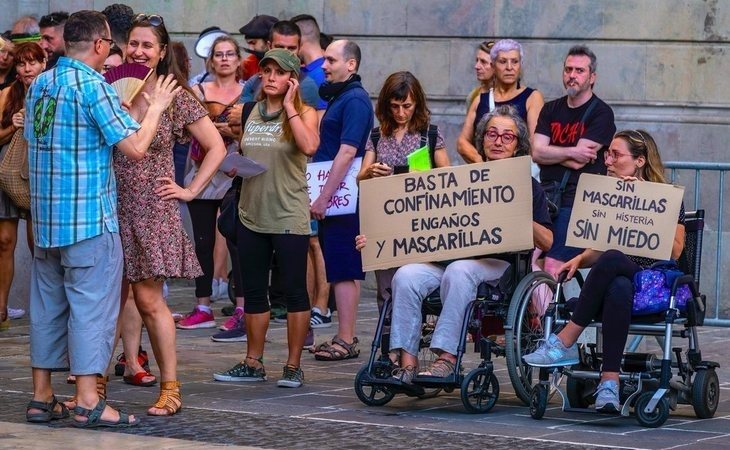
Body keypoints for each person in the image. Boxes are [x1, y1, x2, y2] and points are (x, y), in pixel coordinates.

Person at [23, 9, 179, 427]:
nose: (114, 50)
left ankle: (41, 397)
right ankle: (88, 400)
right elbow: (135, 148)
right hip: (90, 220)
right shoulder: (94, 86)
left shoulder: (40, 84)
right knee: (92, 310)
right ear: (97, 45)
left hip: (46, 221)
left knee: (47, 309)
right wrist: (156, 108)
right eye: (111, 43)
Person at [357, 106, 552, 383]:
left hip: (497, 266)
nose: (498, 141)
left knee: (460, 270)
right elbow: (414, 223)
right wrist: (376, 239)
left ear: (518, 146)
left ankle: (447, 358)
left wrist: (518, 214)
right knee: (407, 275)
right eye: (492, 134)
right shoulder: (458, 182)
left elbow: (547, 240)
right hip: (447, 262)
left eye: (507, 137)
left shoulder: (528, 186)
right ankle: (407, 363)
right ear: (481, 140)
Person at [523, 129, 685, 413]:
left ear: (639, 161)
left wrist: (642, 205)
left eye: (615, 154)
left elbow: (674, 251)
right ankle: (609, 384)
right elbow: (603, 246)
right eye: (607, 154)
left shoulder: (666, 197)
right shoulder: (608, 194)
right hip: (620, 282)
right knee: (617, 285)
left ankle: (566, 339)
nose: (607, 160)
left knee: (612, 260)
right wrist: (580, 260)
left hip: (652, 281)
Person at [114, 12, 226, 416]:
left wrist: (191, 191)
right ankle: (94, 387)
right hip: (111, 205)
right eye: (134, 43)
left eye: (148, 45)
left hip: (152, 209)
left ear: (162, 53)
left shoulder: (175, 96)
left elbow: (216, 147)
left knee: (148, 300)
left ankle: (170, 387)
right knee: (107, 300)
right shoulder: (111, 88)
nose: (139, 51)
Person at [213, 49, 319, 387]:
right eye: (266, 71)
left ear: (292, 79)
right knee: (255, 292)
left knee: (294, 293)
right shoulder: (248, 112)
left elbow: (309, 146)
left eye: (279, 72)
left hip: (288, 213)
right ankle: (253, 362)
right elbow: (243, 152)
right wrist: (233, 165)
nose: (271, 77)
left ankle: (292, 365)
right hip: (251, 214)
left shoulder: (304, 112)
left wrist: (289, 109)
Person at [356, 71, 450, 313]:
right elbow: (360, 178)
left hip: (419, 222)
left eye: (406, 106)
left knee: (413, 283)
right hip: (385, 222)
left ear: (416, 103)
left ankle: (410, 341)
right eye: (395, 106)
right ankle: (388, 343)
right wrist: (370, 172)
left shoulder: (429, 134)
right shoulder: (378, 135)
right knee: (385, 287)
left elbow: (449, 178)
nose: (400, 113)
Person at [310, 40, 374, 361]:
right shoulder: (342, 97)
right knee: (340, 265)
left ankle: (346, 339)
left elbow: (348, 152)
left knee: (343, 267)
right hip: (338, 196)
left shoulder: (355, 100)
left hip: (342, 198)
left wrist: (323, 197)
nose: (324, 65)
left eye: (331, 60)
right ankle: (344, 334)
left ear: (351, 65)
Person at [531, 45, 616, 278]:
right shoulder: (550, 109)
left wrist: (551, 154)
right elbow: (536, 152)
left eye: (579, 70)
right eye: (568, 69)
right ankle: (535, 314)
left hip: (578, 204)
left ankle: (550, 314)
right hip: (546, 199)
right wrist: (570, 152)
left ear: (592, 77)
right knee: (524, 262)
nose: (572, 75)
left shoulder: (601, 113)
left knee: (551, 265)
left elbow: (580, 162)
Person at [178, 35, 244, 331]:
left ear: (239, 60)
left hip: (235, 170)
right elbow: (186, 127)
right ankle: (202, 305)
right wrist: (225, 128)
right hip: (201, 168)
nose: (225, 59)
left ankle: (242, 307)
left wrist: (213, 127)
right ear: (211, 59)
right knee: (202, 241)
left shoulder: (249, 90)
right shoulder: (197, 89)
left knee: (238, 242)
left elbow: (250, 130)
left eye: (231, 54)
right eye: (219, 54)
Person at [0, 42, 46, 324]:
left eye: (33, 62)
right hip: (7, 174)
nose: (27, 68)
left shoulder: (50, 93)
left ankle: (43, 310)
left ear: (44, 63)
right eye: (22, 63)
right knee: (4, 241)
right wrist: (13, 125)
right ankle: (1, 308)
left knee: (36, 244)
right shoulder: (8, 94)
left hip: (37, 175)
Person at [458, 39, 543, 164]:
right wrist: (481, 163)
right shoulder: (480, 99)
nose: (509, 67)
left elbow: (535, 145)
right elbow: (462, 142)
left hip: (518, 173)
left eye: (515, 62)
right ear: (493, 65)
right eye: (503, 62)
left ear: (520, 65)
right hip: (486, 174)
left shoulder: (532, 97)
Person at [238, 15, 278, 82]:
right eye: (249, 43)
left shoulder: (289, 63)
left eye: (253, 43)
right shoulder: (249, 64)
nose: (251, 48)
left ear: (268, 42)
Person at [466, 40, 494, 110]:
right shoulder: (473, 95)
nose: (477, 66)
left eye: (483, 62)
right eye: (477, 60)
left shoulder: (511, 95)